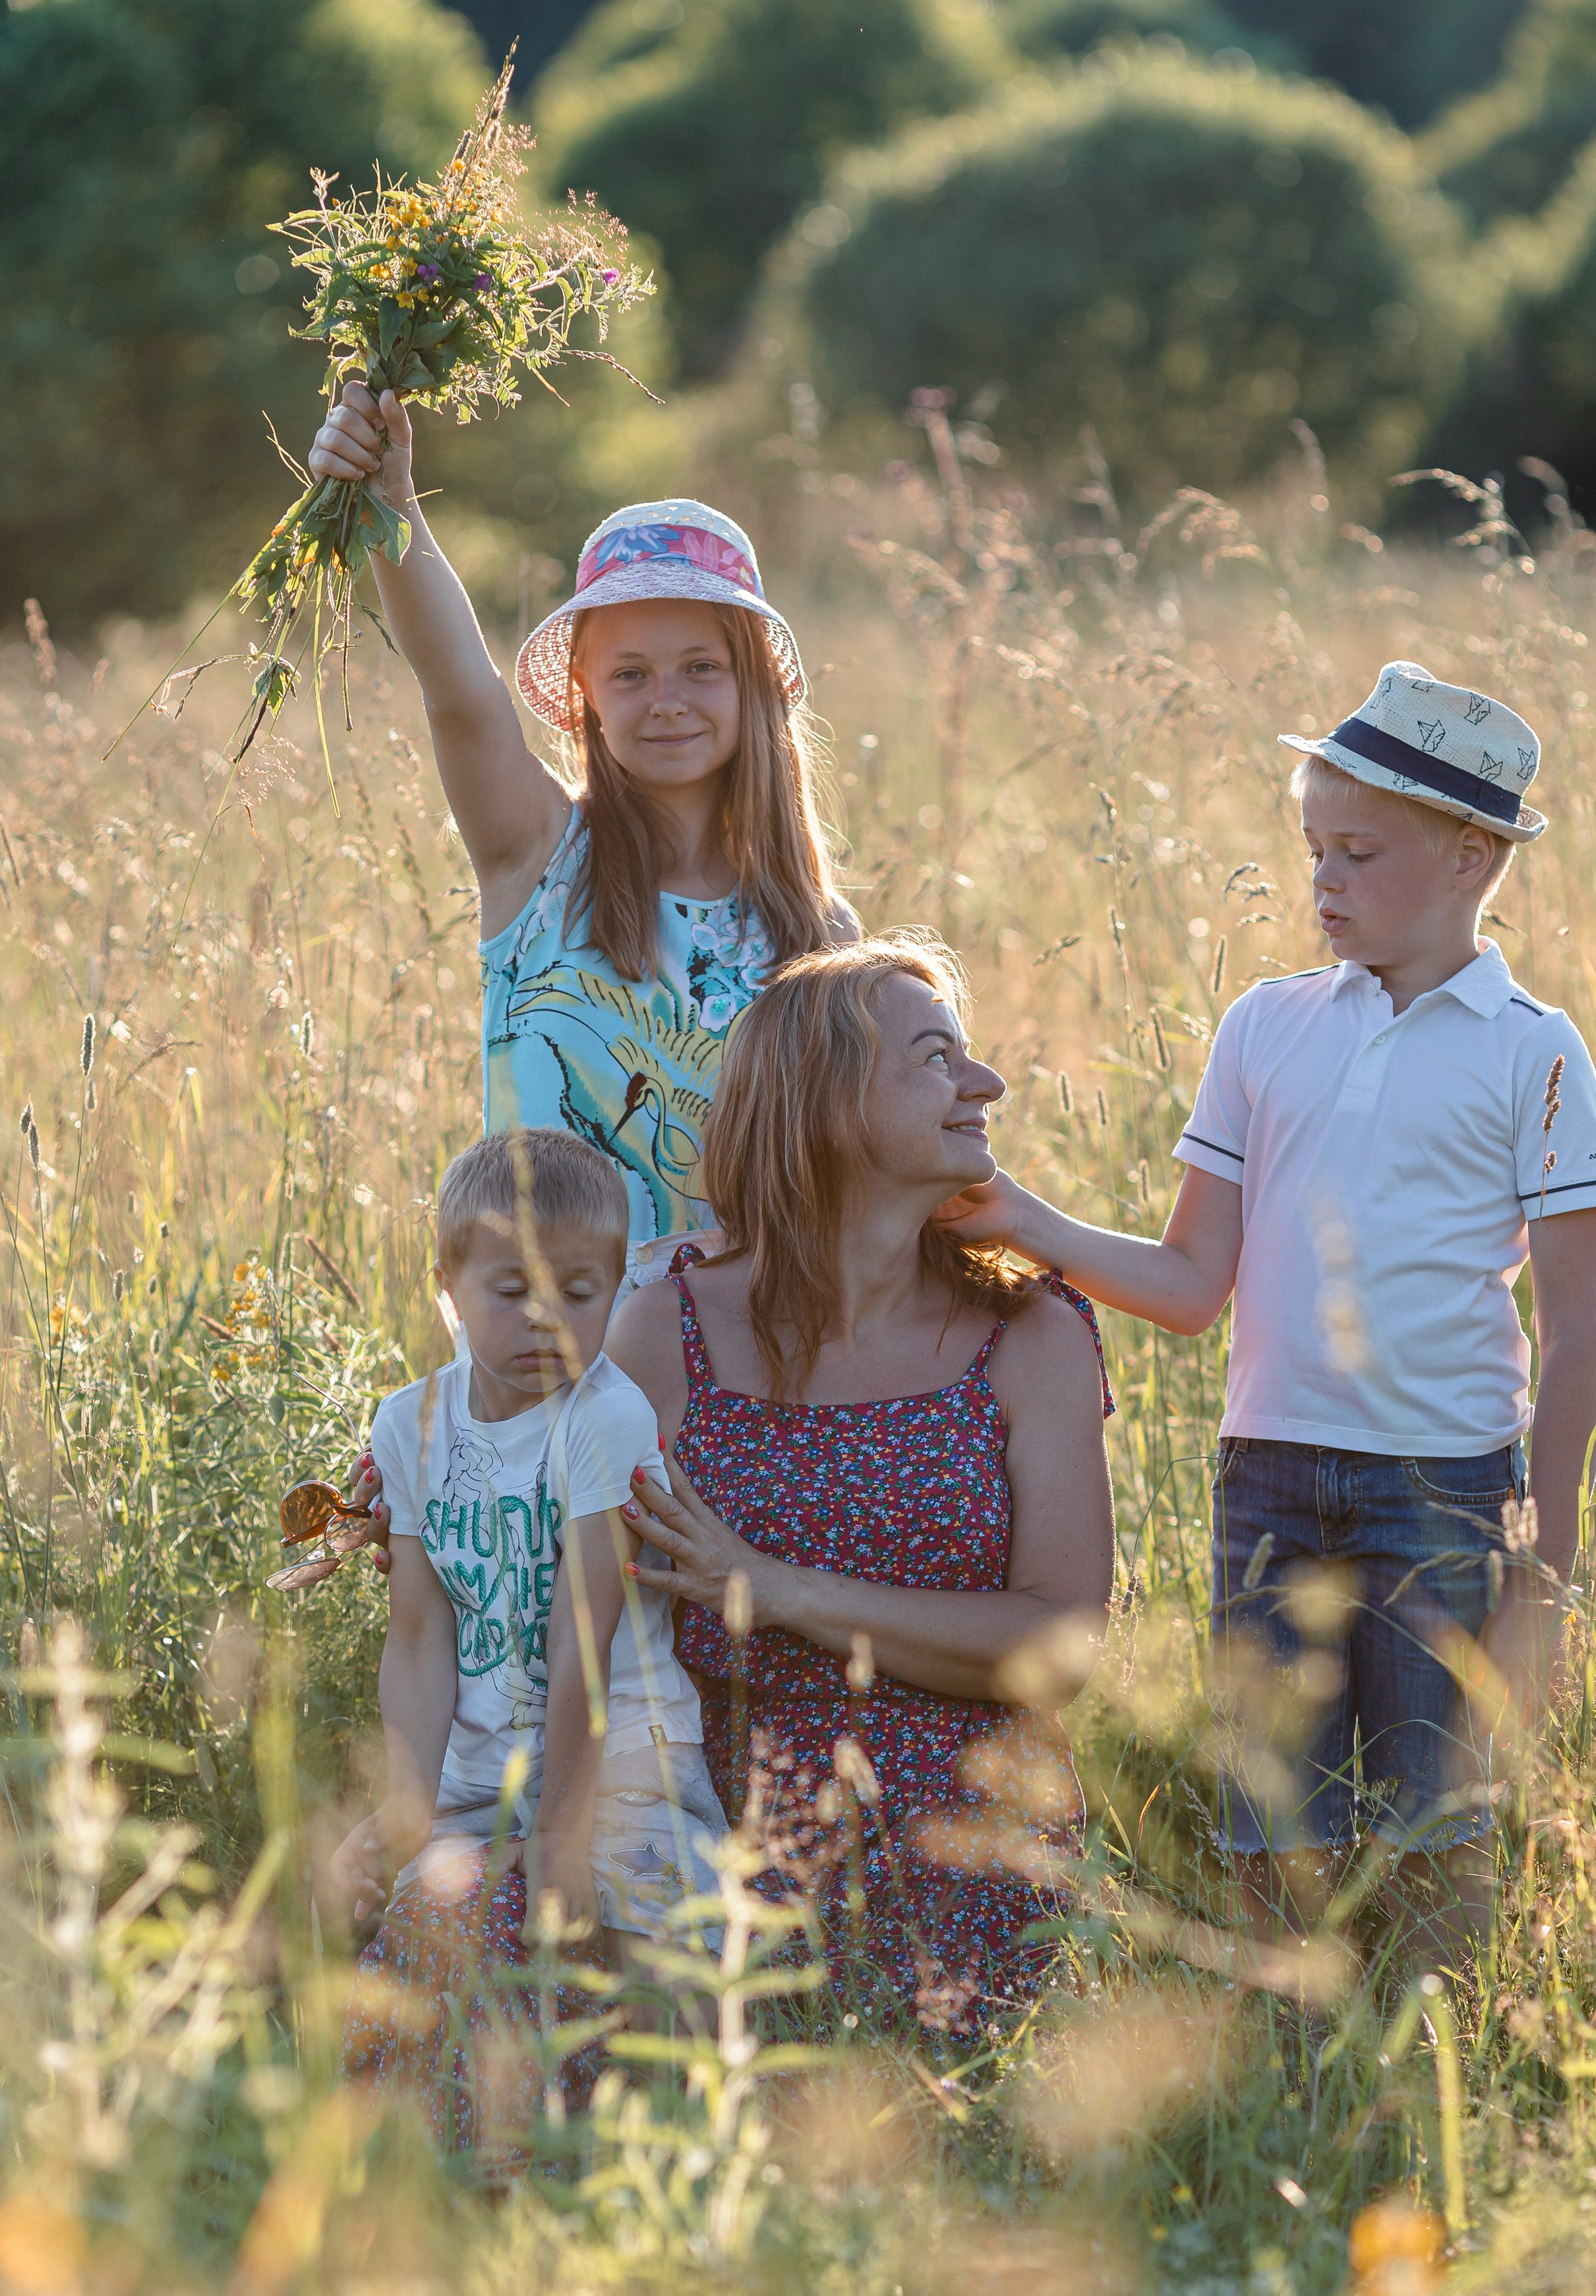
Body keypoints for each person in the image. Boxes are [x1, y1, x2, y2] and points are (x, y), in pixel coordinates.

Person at [941, 663, 1596, 1976]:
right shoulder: (1264, 1026)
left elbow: (1578, 1324)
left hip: (1443, 1488)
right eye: (1312, 849)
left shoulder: (1532, 1050)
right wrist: (1025, 1218)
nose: (1323, 880)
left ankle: (1425, 2067)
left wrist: (1549, 1538)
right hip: (1263, 1481)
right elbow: (1195, 1285)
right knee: (1271, 1818)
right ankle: (1287, 2068)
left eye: (1357, 854)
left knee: (1431, 1815)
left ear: (1470, 856)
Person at [607, 934, 1117, 2041]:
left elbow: (1062, 1644)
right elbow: (578, 1591)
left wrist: (775, 1587)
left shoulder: (1032, 1333)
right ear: (831, 1104)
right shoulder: (666, 1326)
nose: (985, 1084)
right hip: (707, 1812)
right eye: (939, 1058)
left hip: (963, 1829)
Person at [306, 388, 858, 1273]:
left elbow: (851, 1192)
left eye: (701, 668)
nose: (667, 699)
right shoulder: (540, 857)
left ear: (755, 687)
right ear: (585, 695)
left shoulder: (819, 935)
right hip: (552, 1365)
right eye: (631, 672)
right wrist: (390, 500)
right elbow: (459, 693)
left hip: (749, 1375)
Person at [333, 1127, 726, 2154]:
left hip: (624, 1755)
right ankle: (396, 2151)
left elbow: (585, 1648)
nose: (548, 1318)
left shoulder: (605, 1418)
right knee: (373, 1910)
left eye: (582, 1291)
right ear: (448, 1290)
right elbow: (419, 1635)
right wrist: (412, 1798)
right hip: (479, 1763)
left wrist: (559, 1840)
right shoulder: (410, 1424)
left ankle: (680, 2150)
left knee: (652, 1946)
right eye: (514, 1289)